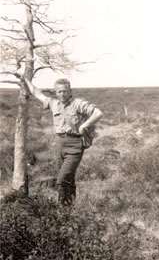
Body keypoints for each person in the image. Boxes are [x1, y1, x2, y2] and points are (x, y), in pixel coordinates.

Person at [24, 77, 103, 205]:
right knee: (69, 179)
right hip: (60, 144)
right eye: (59, 91)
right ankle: (71, 209)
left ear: (70, 90)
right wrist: (25, 79)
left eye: (65, 91)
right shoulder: (54, 103)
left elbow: (98, 113)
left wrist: (84, 126)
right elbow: (37, 93)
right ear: (56, 92)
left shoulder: (78, 103)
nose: (62, 94)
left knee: (62, 180)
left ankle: (61, 209)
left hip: (75, 144)